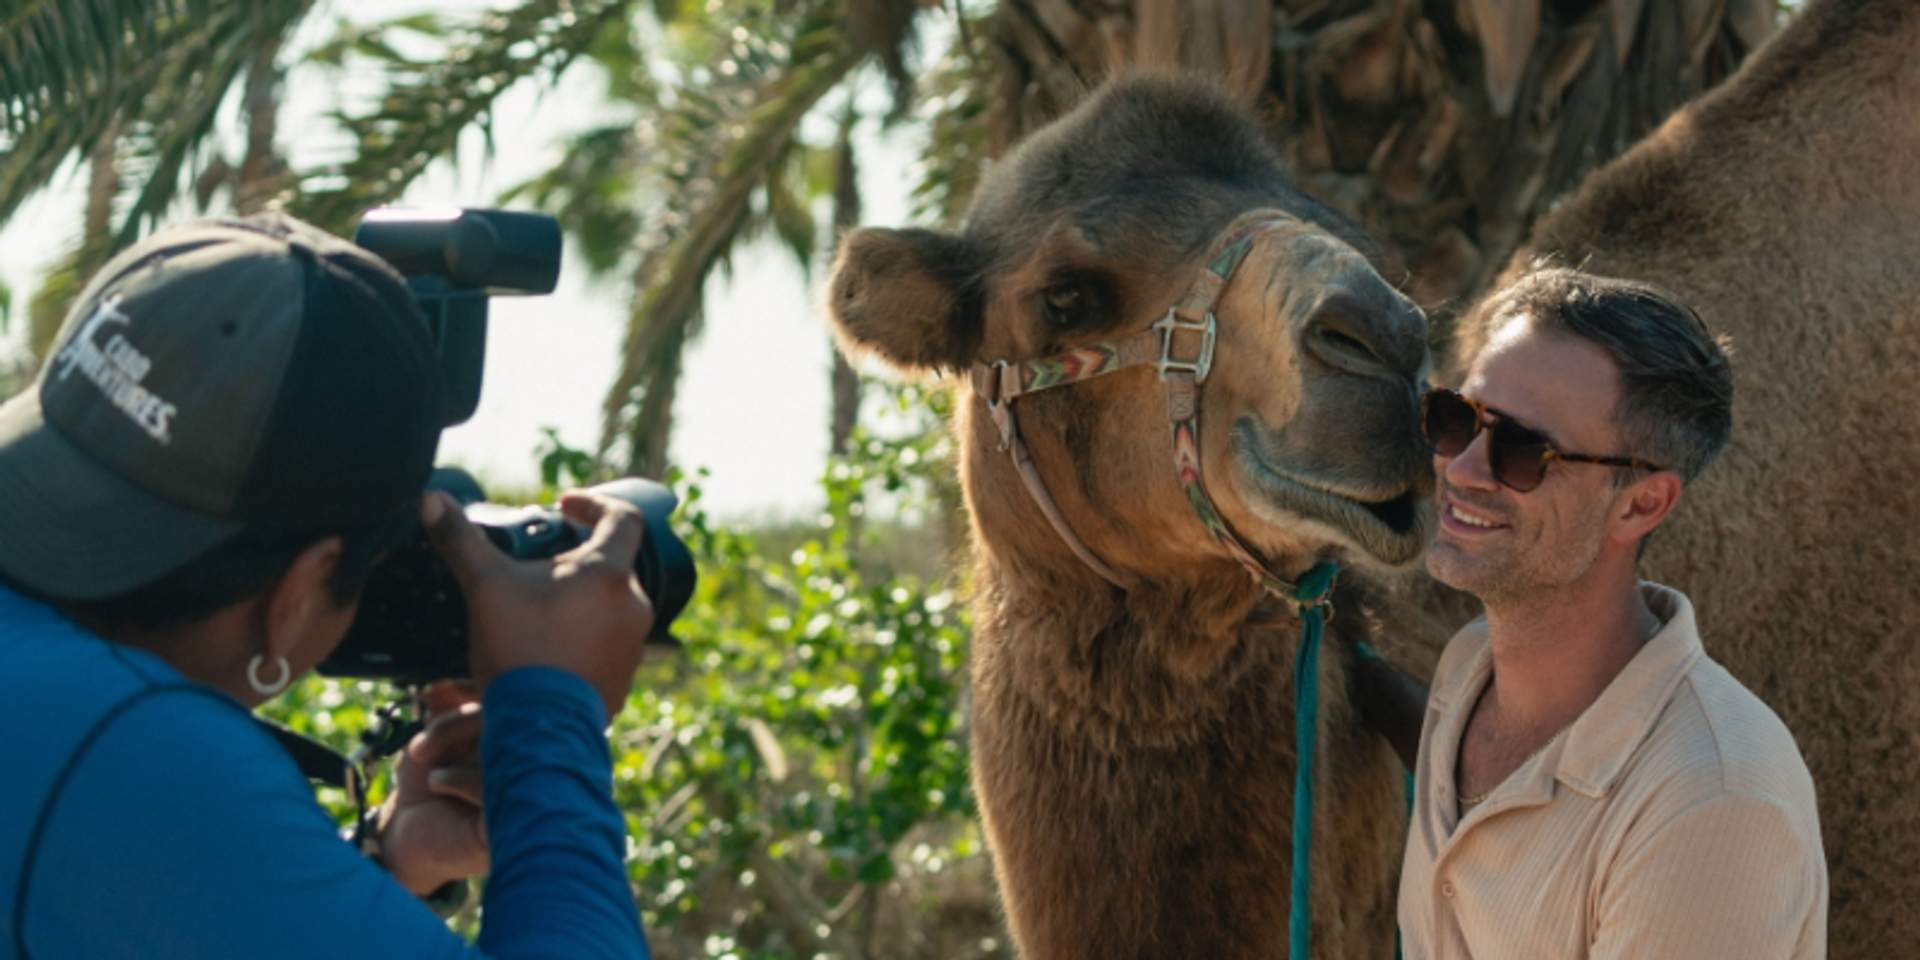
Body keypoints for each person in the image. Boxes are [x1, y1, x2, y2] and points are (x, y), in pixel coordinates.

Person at [0, 214, 656, 958]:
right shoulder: (132, 753)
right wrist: (549, 718)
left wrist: (373, 865)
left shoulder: (64, 724)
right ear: (300, 597)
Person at [1367, 267, 1826, 958]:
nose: (1462, 467)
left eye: (1523, 452)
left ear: (1642, 504)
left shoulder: (1715, 801)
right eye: (1456, 419)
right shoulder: (1469, 670)